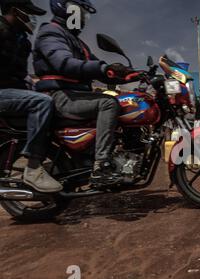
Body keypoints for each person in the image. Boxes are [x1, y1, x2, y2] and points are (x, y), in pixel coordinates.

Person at [33, 0, 135, 187]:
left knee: (127, 101)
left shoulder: (77, 42)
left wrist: (129, 75)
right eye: (80, 13)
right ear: (66, 9)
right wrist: (105, 69)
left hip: (74, 95)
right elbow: (63, 63)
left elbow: (99, 69)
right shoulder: (51, 32)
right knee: (108, 103)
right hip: (61, 95)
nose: (83, 18)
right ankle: (101, 166)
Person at [0, 0, 63, 193]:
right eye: (28, 12)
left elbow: (19, 74)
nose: (33, 18)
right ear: (13, 10)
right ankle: (33, 167)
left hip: (10, 90)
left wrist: (35, 85)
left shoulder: (22, 40)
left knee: (53, 100)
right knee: (42, 102)